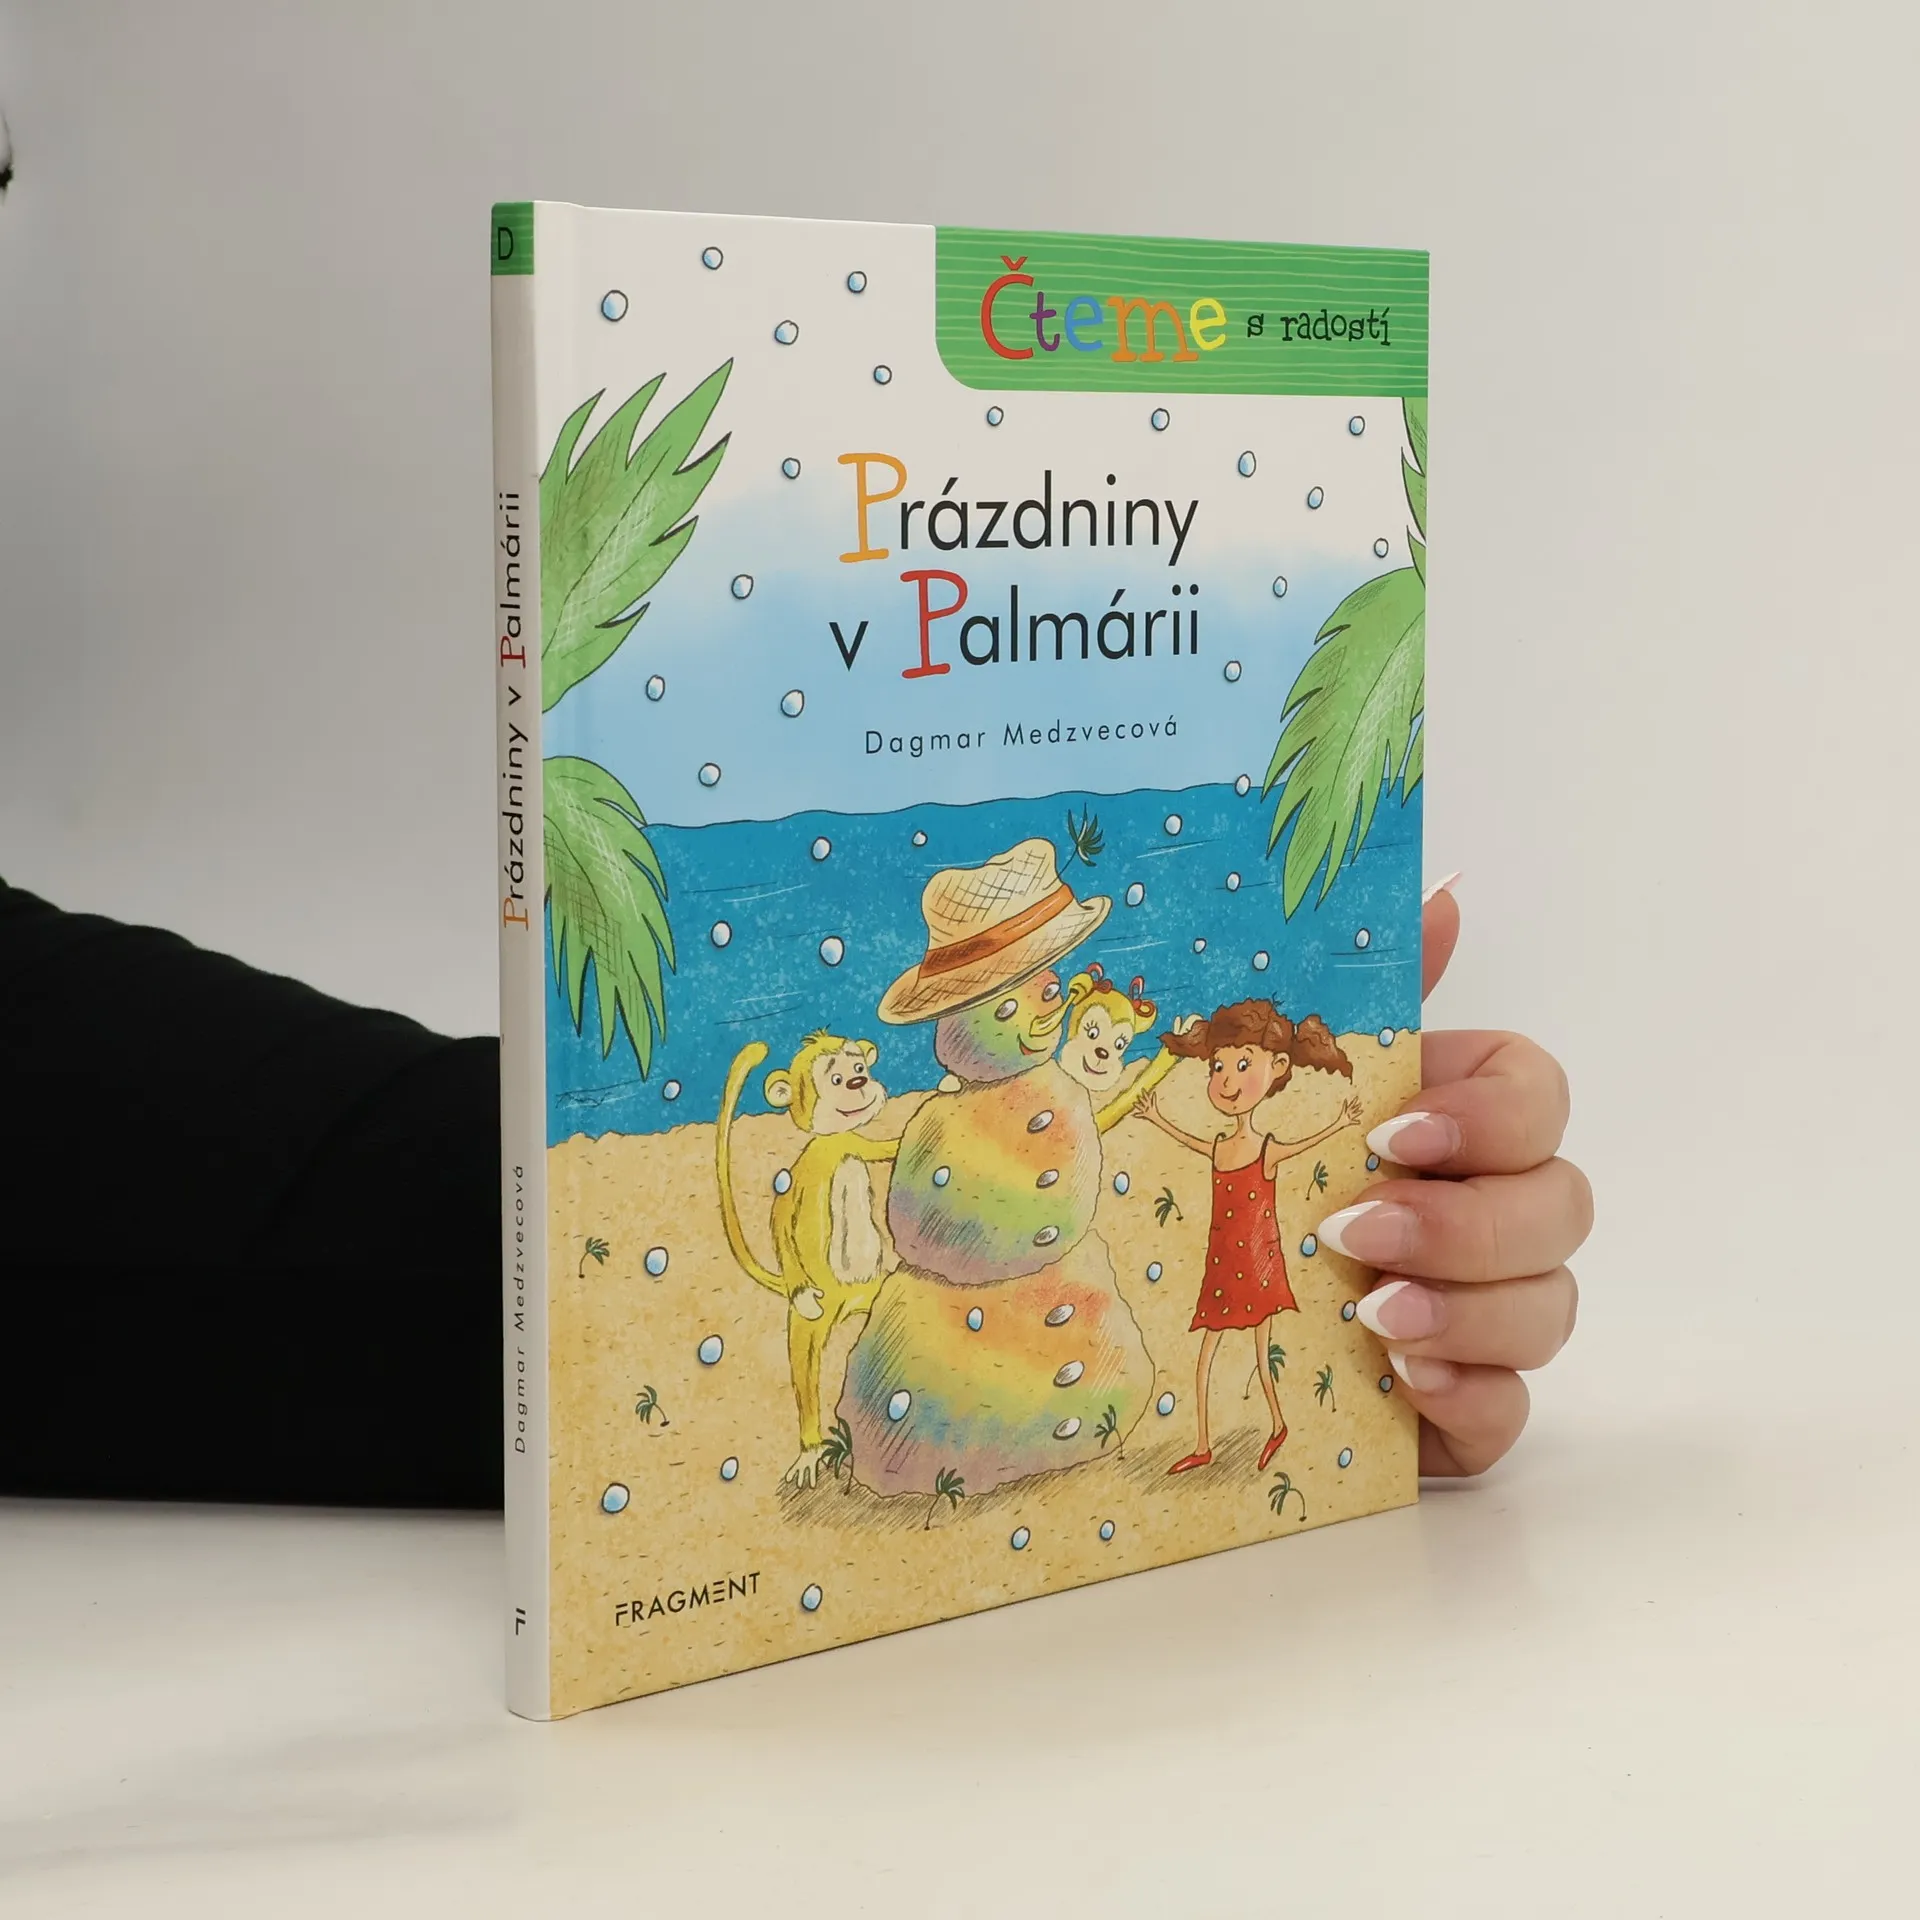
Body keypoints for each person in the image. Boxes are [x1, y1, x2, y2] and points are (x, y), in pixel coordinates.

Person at [0, 872, 1588, 1504]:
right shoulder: (936, 1128)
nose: (1052, 1010)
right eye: (1031, 990)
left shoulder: (1056, 1092)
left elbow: (306, 1196)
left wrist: (1318, 1124)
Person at [1136, 999, 1366, 1473]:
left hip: (1258, 1264)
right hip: (1223, 1265)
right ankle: (1205, 1443)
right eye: (1218, 1067)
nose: (1227, 1080)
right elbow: (1191, 1142)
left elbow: (1303, 1145)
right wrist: (1156, 1118)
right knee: (1207, 1353)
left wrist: (1341, 1123)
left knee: (1262, 1356)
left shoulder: (1266, 1150)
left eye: (1243, 1066)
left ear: (1277, 1067)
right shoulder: (1221, 1146)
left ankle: (1276, 1424)